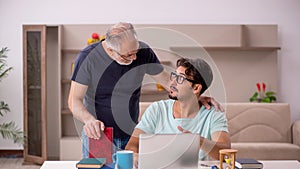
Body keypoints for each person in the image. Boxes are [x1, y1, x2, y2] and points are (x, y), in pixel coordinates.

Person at [68, 22, 223, 158]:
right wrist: (89, 121)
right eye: (128, 55)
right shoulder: (88, 58)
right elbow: (74, 100)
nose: (135, 58)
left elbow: (167, 80)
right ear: (110, 49)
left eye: (136, 51)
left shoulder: (143, 52)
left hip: (131, 132)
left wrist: (193, 96)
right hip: (99, 135)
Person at [125, 57, 231, 166]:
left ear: (196, 88)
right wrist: (135, 156)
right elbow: (132, 145)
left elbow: (226, 153)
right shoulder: (157, 109)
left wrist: (197, 141)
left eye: (180, 78)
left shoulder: (213, 114)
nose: (172, 82)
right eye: (174, 75)